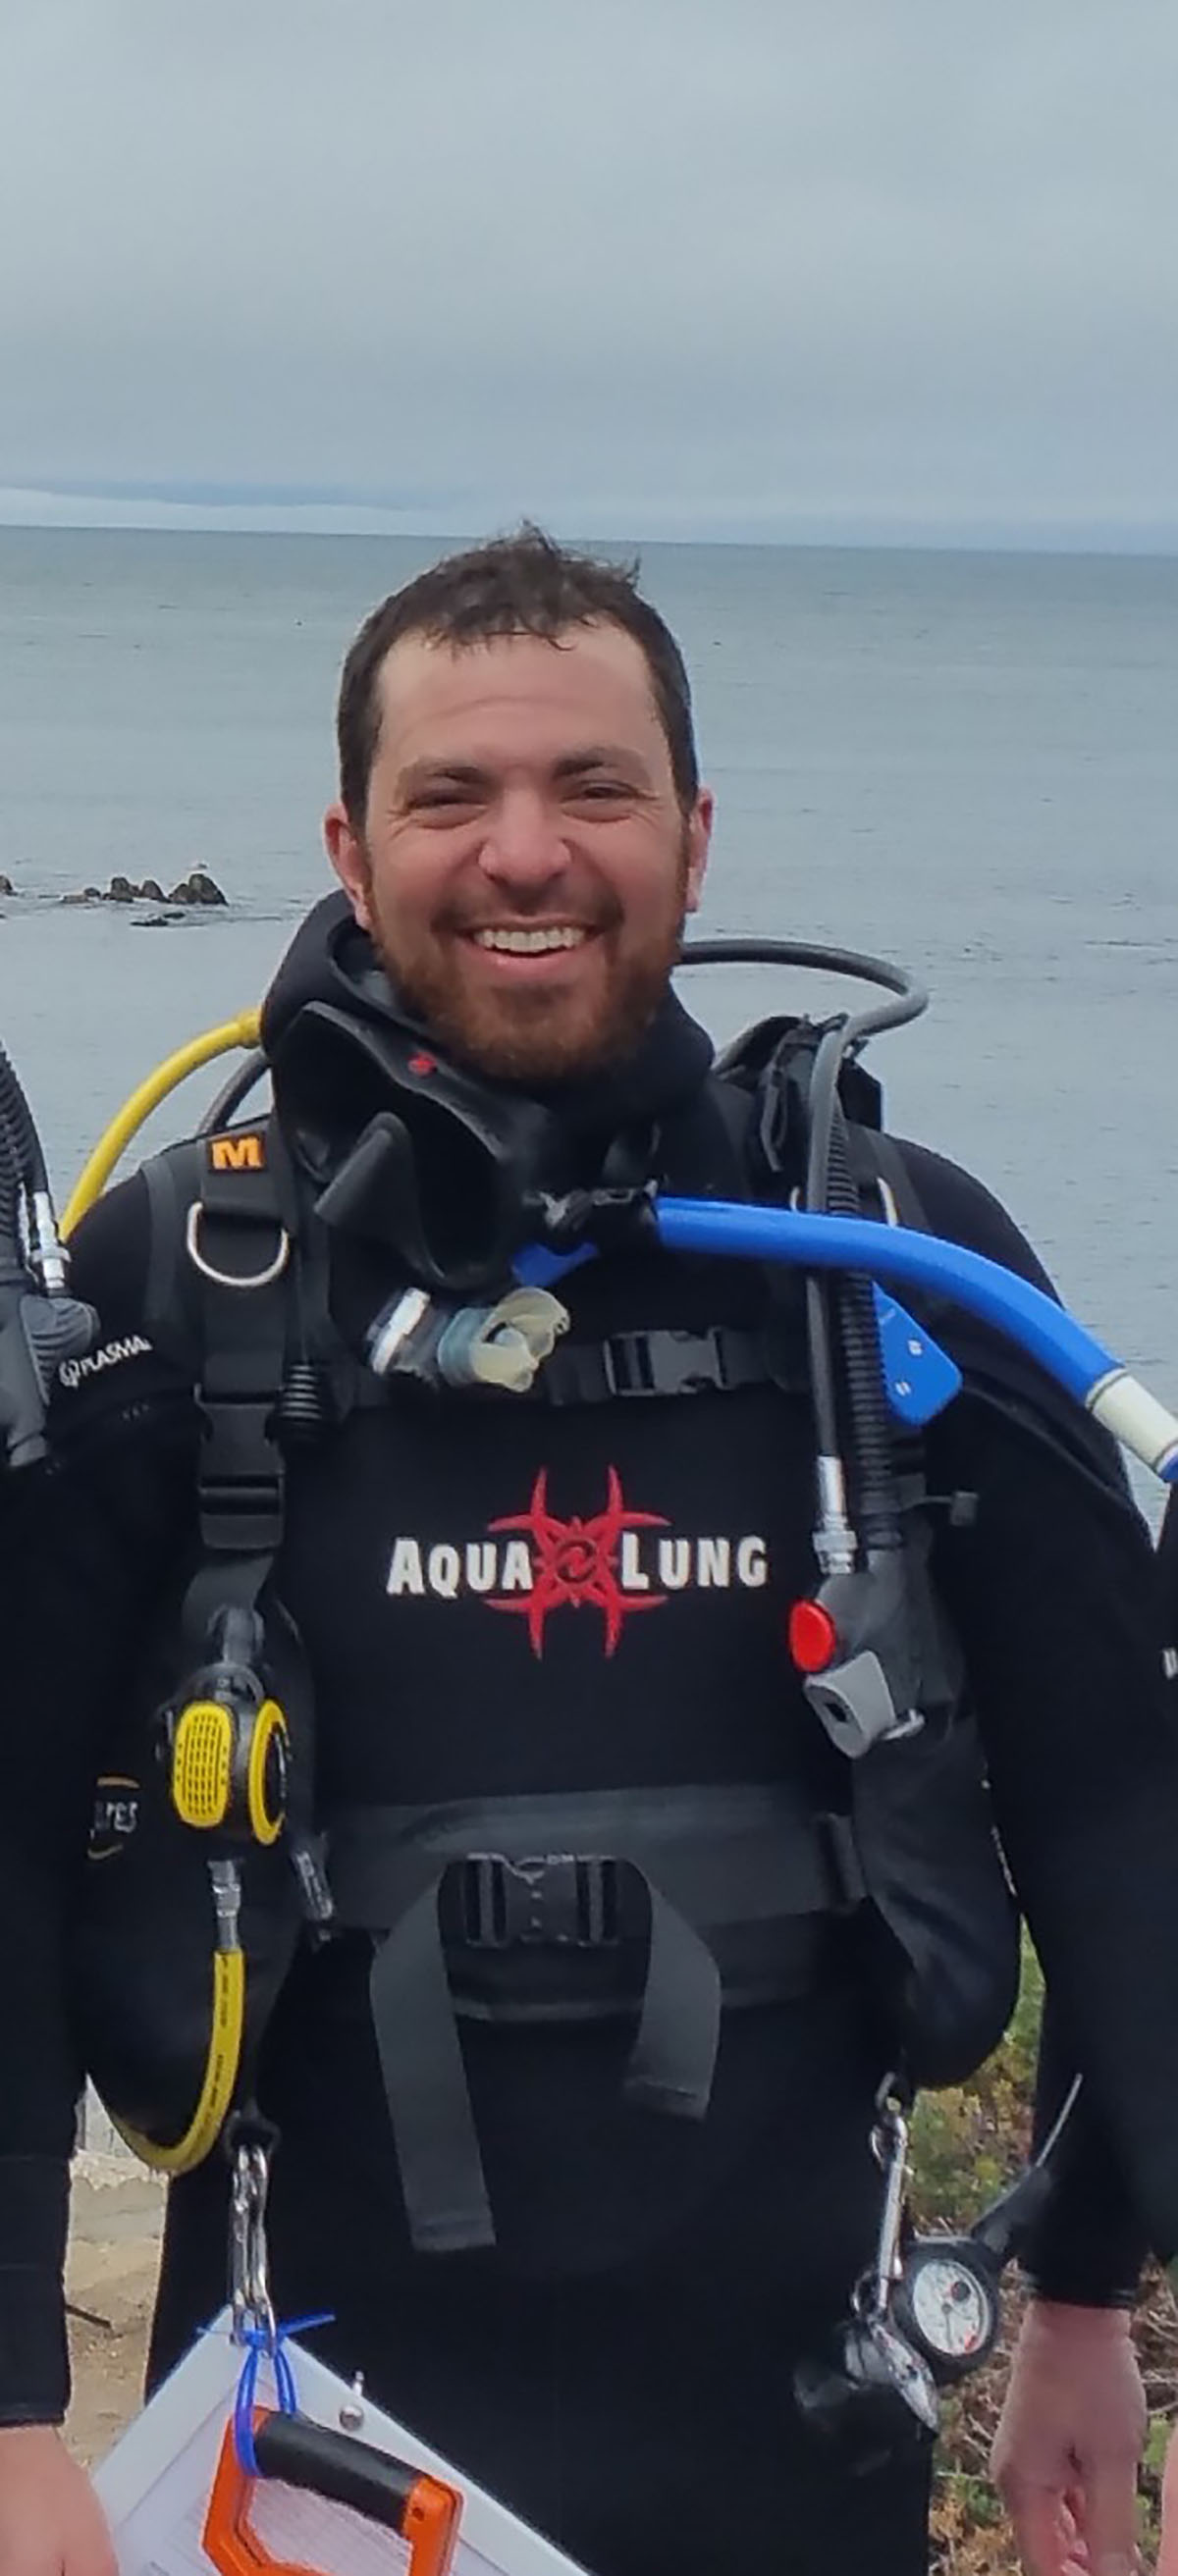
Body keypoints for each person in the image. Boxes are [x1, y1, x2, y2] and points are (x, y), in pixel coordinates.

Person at [2, 527, 1178, 2576]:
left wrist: (1084, 2286)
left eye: (595, 788)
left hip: (795, 2449)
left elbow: (1120, 1804)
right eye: (451, 793)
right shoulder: (191, 1276)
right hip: (288, 2464)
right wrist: (14, 2403)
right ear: (352, 849)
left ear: (698, 837)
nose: (525, 850)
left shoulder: (886, 1265)